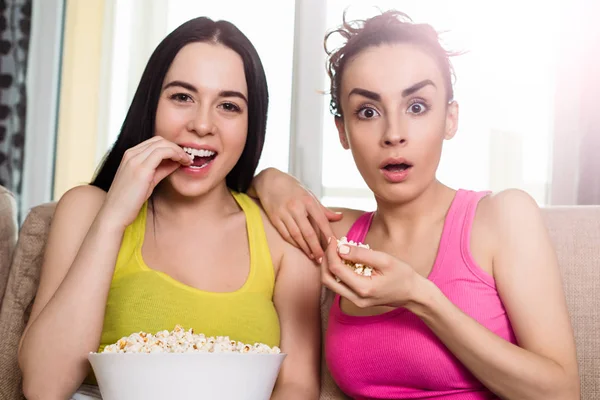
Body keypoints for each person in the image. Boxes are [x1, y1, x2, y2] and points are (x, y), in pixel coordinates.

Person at [251, 10, 580, 400]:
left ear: (450, 119)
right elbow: (237, 207)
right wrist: (268, 178)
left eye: (417, 106)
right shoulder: (337, 235)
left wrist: (419, 297)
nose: (394, 134)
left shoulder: (503, 219)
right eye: (368, 112)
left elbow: (561, 393)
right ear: (343, 132)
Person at [18, 17, 320, 400]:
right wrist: (113, 218)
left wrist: (271, 177)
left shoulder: (282, 235)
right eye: (182, 97)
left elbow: (297, 385)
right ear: (151, 104)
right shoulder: (87, 209)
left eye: (228, 105)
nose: (202, 124)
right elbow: (44, 387)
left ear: (251, 125)